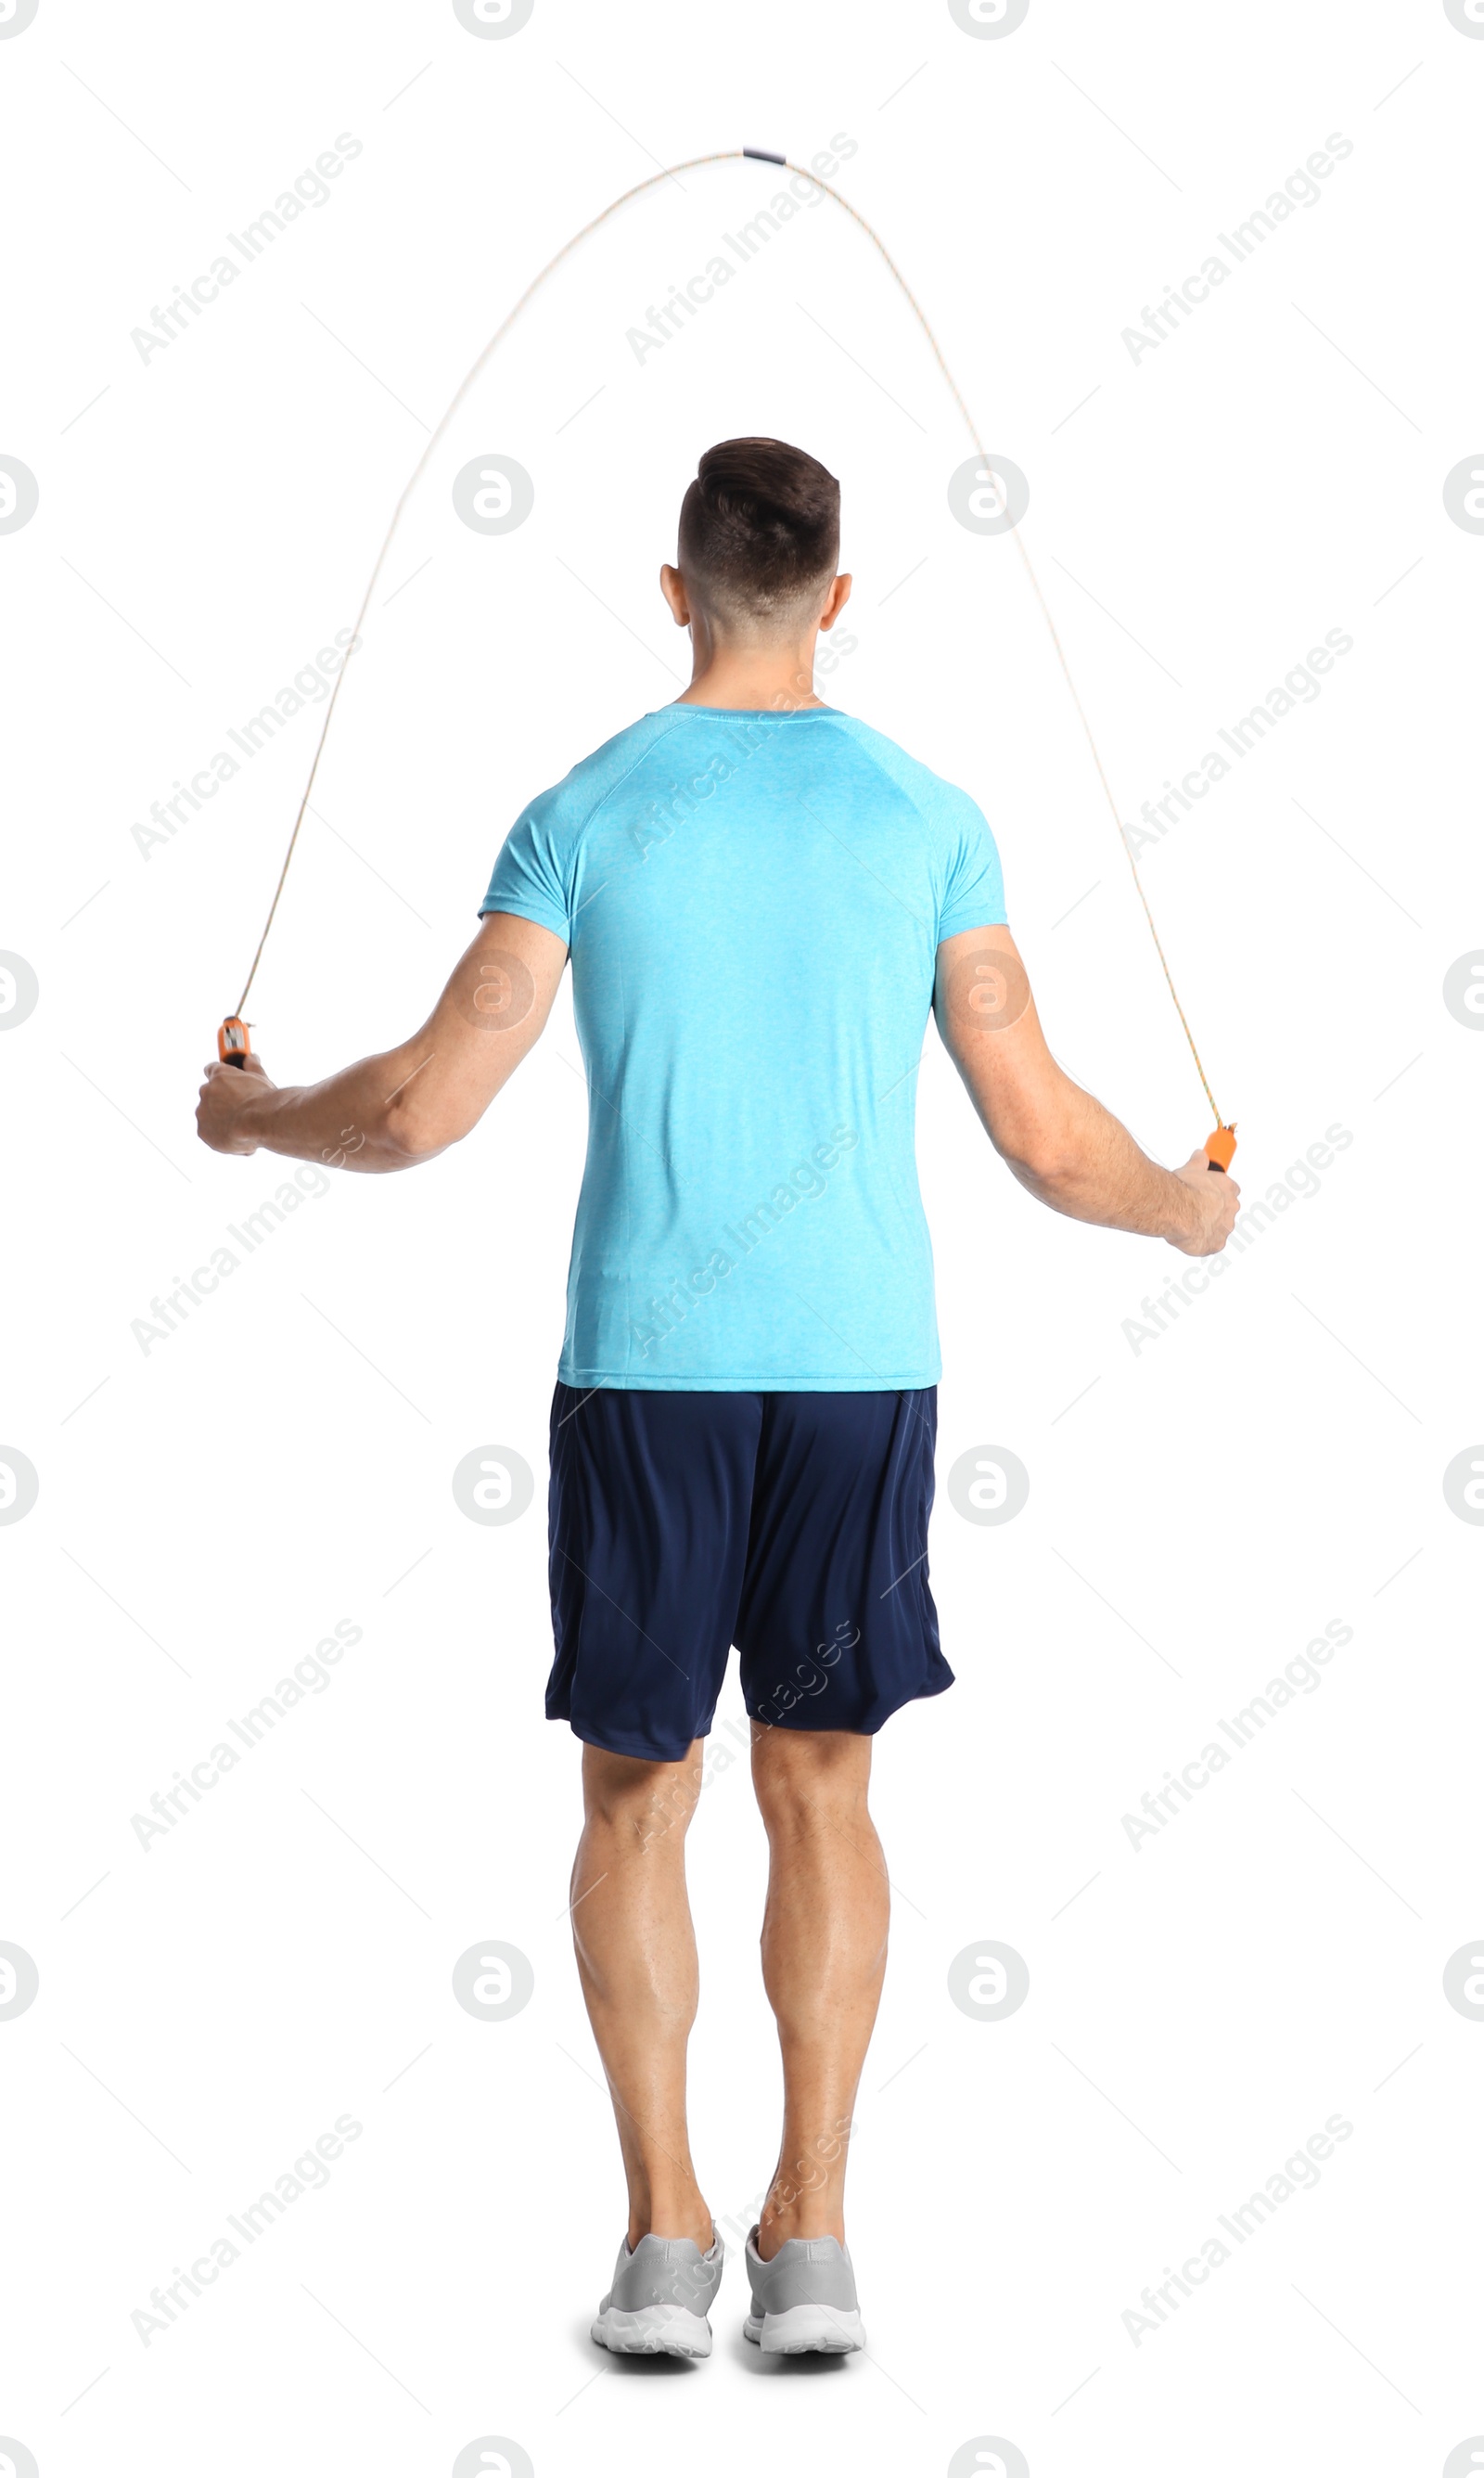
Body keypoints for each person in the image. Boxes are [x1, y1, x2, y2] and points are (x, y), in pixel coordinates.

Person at [198, 436, 1239, 2360]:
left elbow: (425, 1105)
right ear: (836, 596)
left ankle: (667, 2245)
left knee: (635, 1797)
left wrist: (252, 1114)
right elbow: (1041, 1134)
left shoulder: (584, 807)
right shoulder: (926, 815)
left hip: (648, 1381)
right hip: (855, 1378)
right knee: (821, 1779)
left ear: (671, 587)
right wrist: (1186, 1209)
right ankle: (816, 2240)